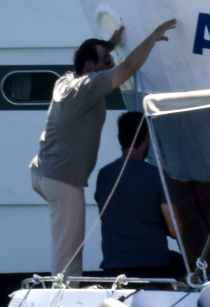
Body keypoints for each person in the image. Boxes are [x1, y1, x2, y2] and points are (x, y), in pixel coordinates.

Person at [30, 19, 177, 278]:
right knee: (69, 251)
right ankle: (61, 300)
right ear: (89, 66)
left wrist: (111, 42)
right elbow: (129, 67)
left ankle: (62, 292)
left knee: (66, 242)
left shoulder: (67, 80)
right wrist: (152, 36)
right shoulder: (87, 86)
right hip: (62, 179)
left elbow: (94, 56)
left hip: (42, 172)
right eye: (106, 59)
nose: (111, 63)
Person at [94, 111, 187, 280]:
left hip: (113, 265)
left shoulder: (104, 174)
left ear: (119, 139)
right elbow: (175, 231)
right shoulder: (156, 174)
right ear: (146, 138)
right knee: (183, 267)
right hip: (153, 264)